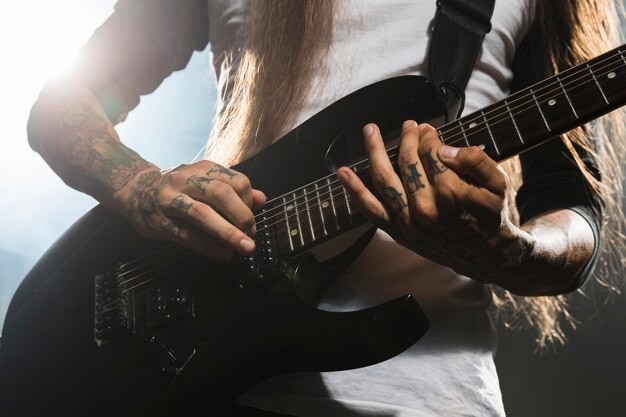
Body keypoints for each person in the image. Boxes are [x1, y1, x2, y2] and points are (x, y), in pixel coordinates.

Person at [26, 0, 625, 415]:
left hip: (431, 396)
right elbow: (63, 100)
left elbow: (574, 212)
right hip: (197, 360)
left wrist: (506, 248)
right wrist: (140, 187)